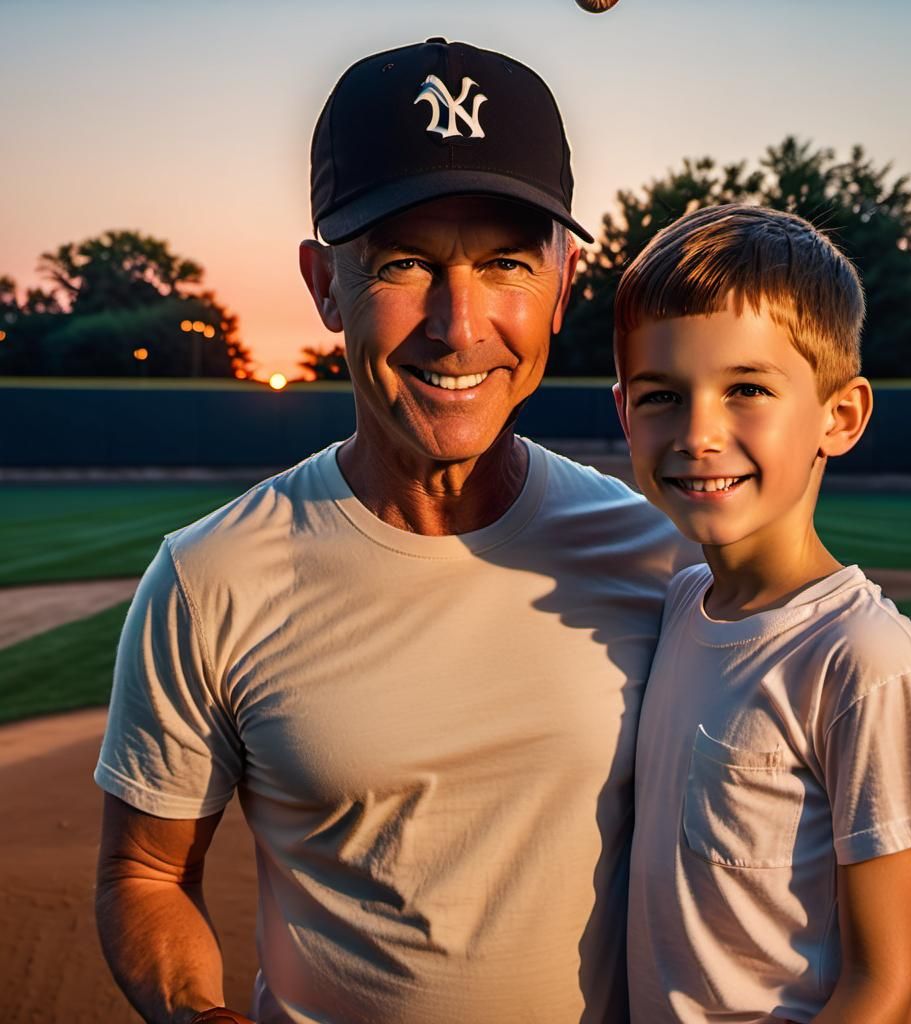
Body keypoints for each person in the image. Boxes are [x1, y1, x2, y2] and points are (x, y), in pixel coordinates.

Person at [93, 38, 696, 1024]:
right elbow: (143, 871)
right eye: (404, 262)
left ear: (563, 280)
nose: (458, 326)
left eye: (504, 261)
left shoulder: (654, 558)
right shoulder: (209, 579)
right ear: (323, 283)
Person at [612, 204, 911, 1024]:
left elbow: (887, 982)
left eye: (747, 389)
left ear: (839, 417)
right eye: (662, 395)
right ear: (624, 413)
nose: (698, 433)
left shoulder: (862, 658)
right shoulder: (676, 606)